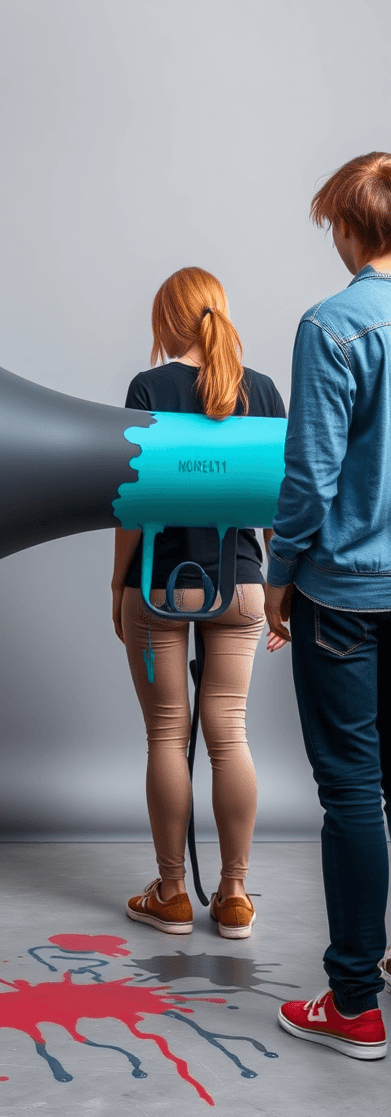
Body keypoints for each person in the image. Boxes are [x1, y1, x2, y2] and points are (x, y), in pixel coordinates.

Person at [112, 267, 286, 939]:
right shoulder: (264, 391)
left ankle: (173, 895)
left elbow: (130, 500)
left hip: (157, 587)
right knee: (230, 733)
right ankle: (236, 897)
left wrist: (115, 584)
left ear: (167, 320)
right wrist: (281, 590)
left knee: (165, 734)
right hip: (242, 585)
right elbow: (280, 499)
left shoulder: (148, 388)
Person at [266, 153, 391, 1061]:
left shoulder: (334, 323)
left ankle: (355, 1004)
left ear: (350, 227)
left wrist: (277, 575)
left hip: (345, 594)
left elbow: (307, 478)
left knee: (353, 793)